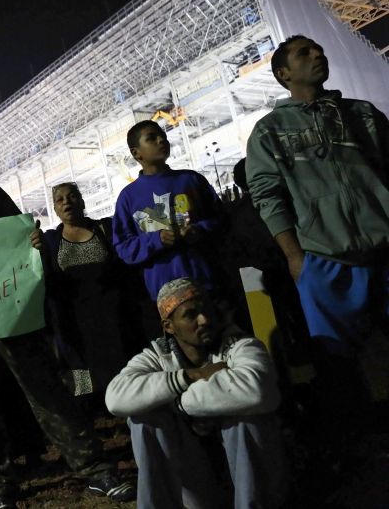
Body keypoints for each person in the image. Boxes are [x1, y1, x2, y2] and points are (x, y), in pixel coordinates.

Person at [0, 138, 134, 507]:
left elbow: (19, 237)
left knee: (47, 393)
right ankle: (1, 483)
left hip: (11, 315)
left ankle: (95, 468)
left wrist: (30, 240)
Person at [245, 35, 389, 420]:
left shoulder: (363, 114)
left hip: (384, 248)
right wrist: (295, 256)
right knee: (338, 363)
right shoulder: (269, 131)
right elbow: (267, 195)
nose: (318, 54)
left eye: (319, 49)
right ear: (283, 73)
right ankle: (358, 441)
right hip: (324, 259)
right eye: (304, 53)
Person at [105, 278, 286, 508]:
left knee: (244, 419)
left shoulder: (239, 345)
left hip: (251, 485)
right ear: (169, 326)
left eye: (206, 310)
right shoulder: (157, 356)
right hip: (198, 487)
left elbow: (257, 391)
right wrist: (189, 376)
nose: (204, 320)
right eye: (191, 315)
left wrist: (179, 402)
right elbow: (115, 398)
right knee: (145, 420)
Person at [32, 181, 148, 401]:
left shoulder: (106, 229)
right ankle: (94, 414)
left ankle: (128, 408)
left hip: (113, 318)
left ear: (82, 201)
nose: (66, 202)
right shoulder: (49, 241)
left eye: (72, 196)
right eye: (60, 200)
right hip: (74, 324)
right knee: (81, 375)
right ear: (55, 210)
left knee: (122, 371)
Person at [112, 120, 225, 302]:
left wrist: (200, 230)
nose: (161, 141)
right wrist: (157, 240)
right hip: (167, 294)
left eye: (163, 136)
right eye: (152, 138)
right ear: (136, 153)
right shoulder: (128, 198)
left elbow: (221, 219)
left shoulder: (191, 180)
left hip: (208, 282)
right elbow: (124, 247)